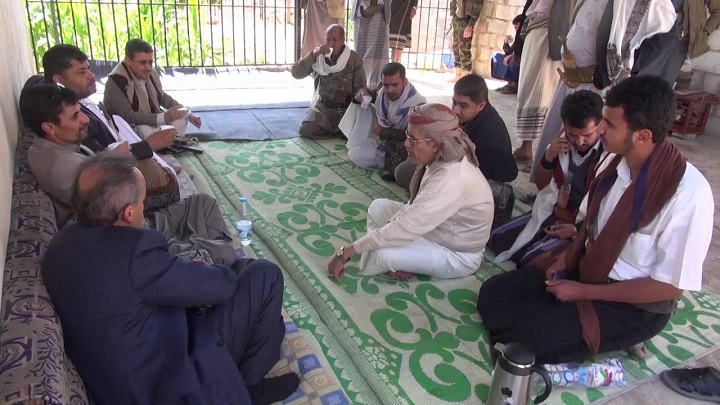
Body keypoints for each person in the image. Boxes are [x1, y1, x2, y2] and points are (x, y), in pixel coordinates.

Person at [477, 75, 714, 365]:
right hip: (586, 269)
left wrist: (584, 292)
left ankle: (619, 334)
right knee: (493, 293)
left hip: (634, 306)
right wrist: (565, 260)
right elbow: (589, 227)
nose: (600, 129)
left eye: (609, 124)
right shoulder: (613, 162)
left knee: (524, 343)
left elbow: (670, 287)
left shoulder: (689, 194)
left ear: (642, 135)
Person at [42, 152, 299, 404]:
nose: (144, 209)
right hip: (169, 385)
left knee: (244, 273)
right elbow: (222, 286)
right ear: (129, 213)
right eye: (142, 203)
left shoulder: (61, 242)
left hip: (121, 374)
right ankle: (247, 387)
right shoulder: (135, 254)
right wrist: (199, 269)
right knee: (264, 274)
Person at [20, 83, 237, 266]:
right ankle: (206, 263)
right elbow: (115, 214)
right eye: (75, 116)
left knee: (204, 203)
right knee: (224, 252)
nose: (85, 120)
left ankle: (207, 261)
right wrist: (120, 158)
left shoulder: (53, 147)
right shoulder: (62, 166)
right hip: (130, 237)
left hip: (136, 223)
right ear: (49, 127)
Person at [327, 103, 494, 281]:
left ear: (435, 144)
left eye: (413, 139)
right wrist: (389, 232)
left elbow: (407, 225)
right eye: (408, 135)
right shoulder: (440, 156)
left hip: (457, 254)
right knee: (378, 208)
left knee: (382, 256)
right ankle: (403, 256)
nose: (406, 143)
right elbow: (412, 213)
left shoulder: (451, 178)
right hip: (434, 231)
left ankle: (398, 257)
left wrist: (345, 252)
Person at [529, 0, 676, 182]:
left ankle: (579, 190)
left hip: (597, 85)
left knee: (588, 144)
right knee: (562, 137)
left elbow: (667, 30)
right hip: (570, 81)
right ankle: (551, 184)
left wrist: (626, 64)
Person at [38, 44, 180, 211]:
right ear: (59, 81)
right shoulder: (71, 122)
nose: (92, 76)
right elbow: (102, 161)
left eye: (89, 69)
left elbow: (161, 97)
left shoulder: (79, 103)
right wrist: (148, 145)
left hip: (122, 140)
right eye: (81, 72)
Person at [490, 90, 607, 268]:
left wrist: (576, 229)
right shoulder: (561, 141)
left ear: (600, 126)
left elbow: (606, 211)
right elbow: (542, 185)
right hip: (553, 210)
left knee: (532, 261)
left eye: (587, 135)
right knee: (497, 238)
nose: (579, 142)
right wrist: (549, 156)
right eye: (573, 135)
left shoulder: (609, 155)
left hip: (581, 224)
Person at [451, 74, 518, 227]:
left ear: (481, 105)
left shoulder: (487, 137)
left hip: (491, 180)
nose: (456, 110)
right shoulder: (476, 116)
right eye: (454, 102)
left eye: (463, 105)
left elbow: (474, 173)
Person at [104, 38, 203, 139]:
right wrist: (162, 117)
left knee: (181, 118)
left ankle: (169, 143)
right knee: (144, 130)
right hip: (129, 129)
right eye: (142, 63)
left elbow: (161, 96)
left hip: (153, 120)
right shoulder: (116, 81)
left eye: (150, 62)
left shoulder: (149, 72)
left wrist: (188, 113)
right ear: (128, 61)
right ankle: (163, 143)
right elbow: (128, 116)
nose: (148, 68)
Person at [512, 0, 571, 165]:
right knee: (529, 92)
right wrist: (518, 46)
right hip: (534, 33)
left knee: (543, 94)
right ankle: (527, 147)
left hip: (549, 37)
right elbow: (528, 10)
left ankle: (542, 154)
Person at [345, 62, 426, 181]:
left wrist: (384, 132)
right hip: (383, 144)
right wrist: (361, 94)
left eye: (395, 85)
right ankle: (386, 162)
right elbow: (368, 92)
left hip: (405, 149)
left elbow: (417, 138)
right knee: (356, 155)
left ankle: (393, 168)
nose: (389, 90)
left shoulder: (417, 105)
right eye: (386, 85)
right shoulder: (381, 91)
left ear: (405, 82)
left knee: (403, 167)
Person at [292, 24, 366, 139]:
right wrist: (314, 55)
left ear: (342, 40)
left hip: (344, 110)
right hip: (323, 109)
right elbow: (296, 73)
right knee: (305, 130)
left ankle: (337, 132)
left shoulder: (353, 59)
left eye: (334, 40)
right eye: (328, 39)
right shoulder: (318, 56)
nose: (330, 43)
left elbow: (360, 86)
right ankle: (335, 133)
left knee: (358, 134)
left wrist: (360, 95)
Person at [351, 0, 391, 88]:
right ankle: (360, 87)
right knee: (360, 54)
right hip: (361, 10)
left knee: (379, 54)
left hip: (380, 13)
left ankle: (378, 88)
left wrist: (377, 6)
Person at [449, 0, 483, 81]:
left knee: (464, 48)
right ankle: (459, 74)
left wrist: (470, 25)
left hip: (466, 20)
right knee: (456, 47)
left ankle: (466, 77)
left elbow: (477, 7)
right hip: (457, 18)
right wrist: (453, 13)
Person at [491, 15, 524, 95]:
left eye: (517, 27)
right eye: (515, 28)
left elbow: (521, 52)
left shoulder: (525, 36)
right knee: (496, 57)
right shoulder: (518, 37)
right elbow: (509, 51)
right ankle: (509, 84)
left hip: (521, 60)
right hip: (514, 57)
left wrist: (512, 55)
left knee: (514, 59)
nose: (516, 30)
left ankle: (513, 85)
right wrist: (506, 43)